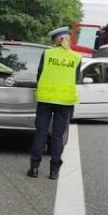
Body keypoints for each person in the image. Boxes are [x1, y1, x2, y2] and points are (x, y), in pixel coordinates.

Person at [28, 27, 81, 180]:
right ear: (67, 40)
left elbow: (40, 74)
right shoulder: (76, 58)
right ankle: (54, 171)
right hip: (64, 102)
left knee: (41, 133)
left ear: (55, 41)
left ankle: (34, 168)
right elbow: (75, 79)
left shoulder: (47, 54)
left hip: (45, 99)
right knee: (57, 136)